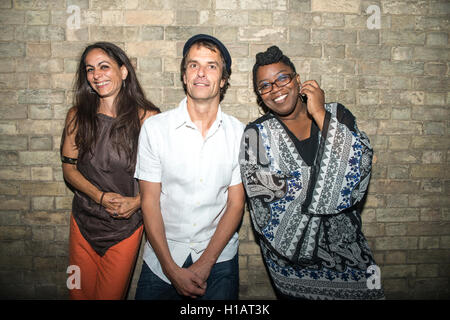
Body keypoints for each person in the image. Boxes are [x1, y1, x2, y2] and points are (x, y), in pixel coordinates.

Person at [239, 46, 385, 300]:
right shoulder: (255, 135)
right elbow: (261, 195)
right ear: (259, 96)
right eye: (265, 86)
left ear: (298, 80)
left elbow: (360, 170)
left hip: (349, 258)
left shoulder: (337, 114)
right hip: (292, 270)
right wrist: (331, 175)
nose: (275, 89)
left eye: (282, 78)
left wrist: (319, 113)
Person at [134, 34, 245, 300]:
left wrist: (206, 263)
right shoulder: (155, 129)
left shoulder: (240, 133)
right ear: (184, 76)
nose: (201, 73)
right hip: (162, 259)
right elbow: (149, 203)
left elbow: (236, 204)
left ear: (223, 79)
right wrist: (171, 269)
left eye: (211, 66)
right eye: (193, 65)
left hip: (218, 260)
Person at [61, 42, 160, 300]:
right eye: (90, 69)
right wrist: (99, 197)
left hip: (125, 226)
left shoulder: (148, 118)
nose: (96, 75)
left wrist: (138, 202)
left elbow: (165, 175)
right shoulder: (76, 116)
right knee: (77, 293)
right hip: (83, 221)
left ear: (124, 71)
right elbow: (69, 169)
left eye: (104, 66)